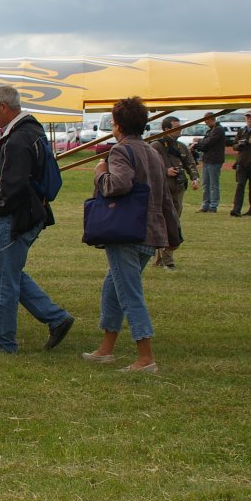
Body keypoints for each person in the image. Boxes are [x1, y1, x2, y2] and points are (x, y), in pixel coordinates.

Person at [82, 96, 180, 373]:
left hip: (125, 232)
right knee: (112, 287)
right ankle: (106, 349)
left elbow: (117, 185)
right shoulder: (153, 152)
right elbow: (164, 199)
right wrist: (173, 234)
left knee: (129, 292)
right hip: (150, 233)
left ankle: (145, 358)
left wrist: (100, 173)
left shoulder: (120, 152)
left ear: (117, 126)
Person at [0, 86, 73, 354]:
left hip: (14, 217)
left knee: (2, 281)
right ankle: (56, 318)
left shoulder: (19, 139)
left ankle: (4, 343)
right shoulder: (33, 133)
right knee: (9, 275)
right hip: (30, 213)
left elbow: (14, 186)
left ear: (4, 108)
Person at [149, 116, 198, 270]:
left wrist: (195, 178)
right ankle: (168, 261)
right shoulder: (156, 147)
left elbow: (190, 163)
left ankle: (159, 259)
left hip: (178, 189)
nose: (180, 129)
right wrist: (165, 171)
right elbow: (148, 168)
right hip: (162, 191)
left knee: (173, 222)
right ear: (166, 129)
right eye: (176, 127)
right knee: (169, 224)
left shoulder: (181, 147)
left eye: (180, 126)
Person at [192, 117, 226, 212]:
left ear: (212, 119)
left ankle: (213, 205)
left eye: (207, 121)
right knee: (205, 184)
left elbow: (209, 142)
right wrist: (197, 145)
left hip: (215, 160)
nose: (206, 123)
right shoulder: (210, 131)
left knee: (213, 184)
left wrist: (198, 141)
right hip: (207, 159)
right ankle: (205, 205)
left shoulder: (218, 130)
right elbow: (204, 145)